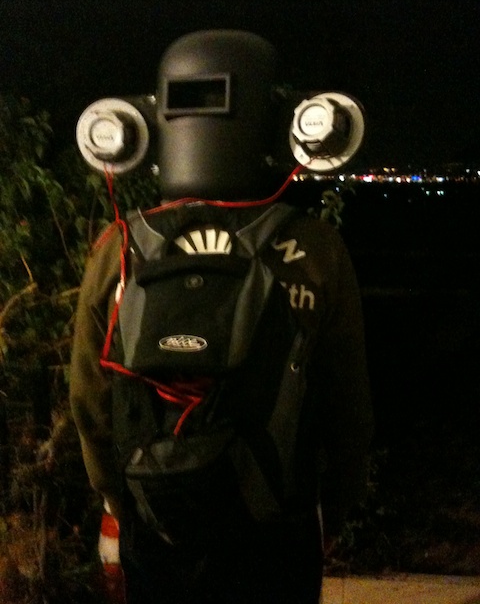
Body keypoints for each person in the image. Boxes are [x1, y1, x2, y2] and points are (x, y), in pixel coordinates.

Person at [70, 30, 374, 604]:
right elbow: (347, 402)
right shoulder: (315, 248)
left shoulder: (120, 246)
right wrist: (332, 509)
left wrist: (119, 500)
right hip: (276, 525)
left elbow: (90, 402)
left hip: (155, 522)